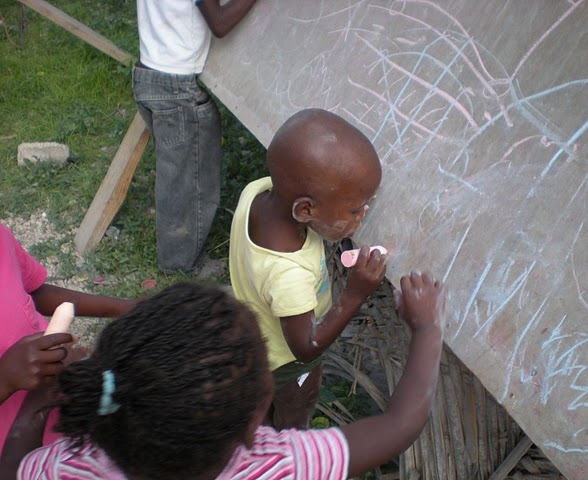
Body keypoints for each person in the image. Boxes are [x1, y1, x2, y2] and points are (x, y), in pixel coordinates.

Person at [8, 272, 444, 480]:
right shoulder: (278, 464)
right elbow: (400, 425)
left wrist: (33, 407)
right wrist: (426, 328)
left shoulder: (65, 467)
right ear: (257, 420)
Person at [229, 108, 387, 429]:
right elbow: (305, 347)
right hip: (287, 363)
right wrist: (354, 295)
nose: (363, 215)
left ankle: (261, 430)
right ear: (305, 210)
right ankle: (288, 451)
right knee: (295, 407)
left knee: (262, 400)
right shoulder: (288, 275)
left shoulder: (256, 193)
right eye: (355, 210)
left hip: (254, 334)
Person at [133, 0, 258, 274]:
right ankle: (181, 264)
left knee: (177, 175)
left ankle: (177, 256)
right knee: (190, 181)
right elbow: (220, 24)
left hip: (148, 73)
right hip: (177, 86)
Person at [0, 221, 137, 465]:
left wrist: (125, 308)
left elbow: (31, 291)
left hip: (58, 412)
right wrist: (5, 380)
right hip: (13, 452)